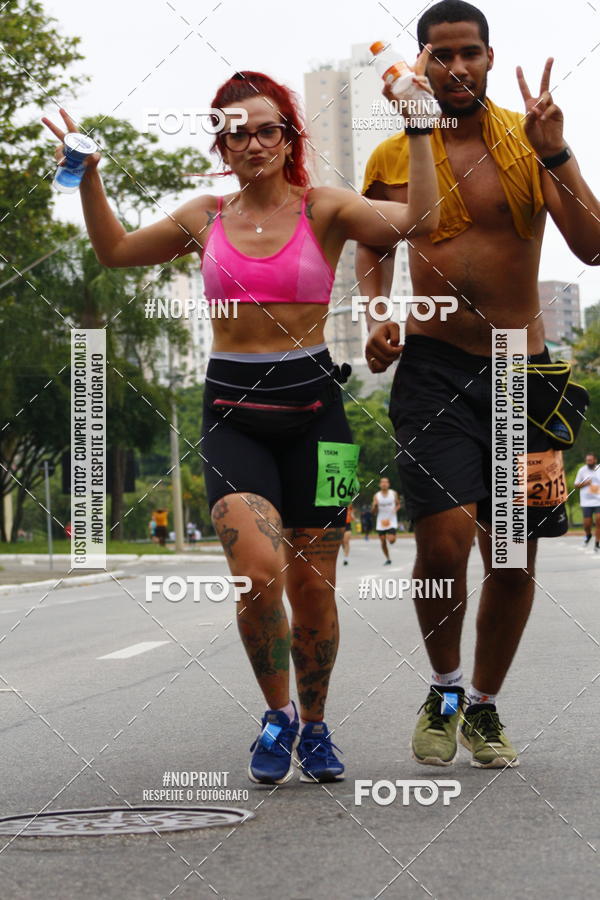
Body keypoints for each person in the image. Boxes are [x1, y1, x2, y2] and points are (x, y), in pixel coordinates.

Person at [43, 55, 440, 784]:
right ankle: (277, 714)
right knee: (259, 575)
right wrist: (89, 175)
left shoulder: (325, 208)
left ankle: (316, 728)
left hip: (321, 415)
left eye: (268, 130)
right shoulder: (206, 216)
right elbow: (116, 250)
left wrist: (418, 120)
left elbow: (419, 218)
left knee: (314, 585)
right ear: (220, 147)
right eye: (237, 133)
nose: (254, 143)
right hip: (232, 415)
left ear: (289, 139)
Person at [357, 0, 600, 768]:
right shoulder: (396, 156)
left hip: (521, 371)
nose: (456, 68)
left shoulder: (527, 146)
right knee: (442, 541)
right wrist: (375, 314)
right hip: (432, 369)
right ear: (420, 63)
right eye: (440, 55)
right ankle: (445, 685)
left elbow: (591, 248)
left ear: (491, 59)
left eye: (469, 54)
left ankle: (485, 706)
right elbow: (372, 242)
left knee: (514, 554)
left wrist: (558, 153)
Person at [372, 477, 401, 565]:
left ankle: (392, 537)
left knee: (391, 540)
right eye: (382, 482)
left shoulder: (393, 493)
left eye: (386, 482)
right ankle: (388, 558)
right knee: (383, 540)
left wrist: (395, 509)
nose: (384, 484)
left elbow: (398, 504)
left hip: (391, 520)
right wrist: (375, 506)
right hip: (381, 521)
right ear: (380, 485)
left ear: (388, 484)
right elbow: (373, 512)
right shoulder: (376, 496)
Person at [574, 453, 600, 551]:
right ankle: (588, 535)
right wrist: (585, 483)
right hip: (586, 502)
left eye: (590, 460)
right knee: (587, 524)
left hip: (598, 500)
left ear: (595, 460)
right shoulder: (582, 470)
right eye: (587, 460)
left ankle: (597, 542)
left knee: (598, 521)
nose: (588, 462)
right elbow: (576, 485)